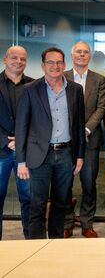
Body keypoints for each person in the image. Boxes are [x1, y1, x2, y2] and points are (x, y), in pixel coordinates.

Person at [16, 47, 85, 239]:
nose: (55, 66)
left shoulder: (75, 90)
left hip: (65, 154)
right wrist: (21, 161)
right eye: (50, 62)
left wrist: (79, 155)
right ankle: (35, 246)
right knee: (36, 205)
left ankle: (55, 245)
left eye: (59, 62)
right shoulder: (29, 90)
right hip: (39, 155)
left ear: (64, 64)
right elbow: (21, 127)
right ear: (43, 65)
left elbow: (78, 125)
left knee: (60, 203)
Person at [63, 41, 105, 239]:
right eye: (78, 52)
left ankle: (87, 223)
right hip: (65, 141)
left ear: (90, 56)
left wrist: (86, 129)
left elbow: (101, 108)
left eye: (85, 52)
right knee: (64, 184)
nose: (82, 55)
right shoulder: (62, 77)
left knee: (89, 184)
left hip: (90, 139)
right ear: (72, 56)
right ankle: (65, 222)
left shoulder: (99, 79)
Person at [0, 46, 33, 240]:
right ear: (5, 59)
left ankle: (30, 242)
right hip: (1, 151)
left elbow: (39, 119)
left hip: (26, 152)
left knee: (29, 198)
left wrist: (22, 139)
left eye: (23, 58)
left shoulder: (34, 85)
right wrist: (6, 140)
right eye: (14, 57)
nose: (18, 61)